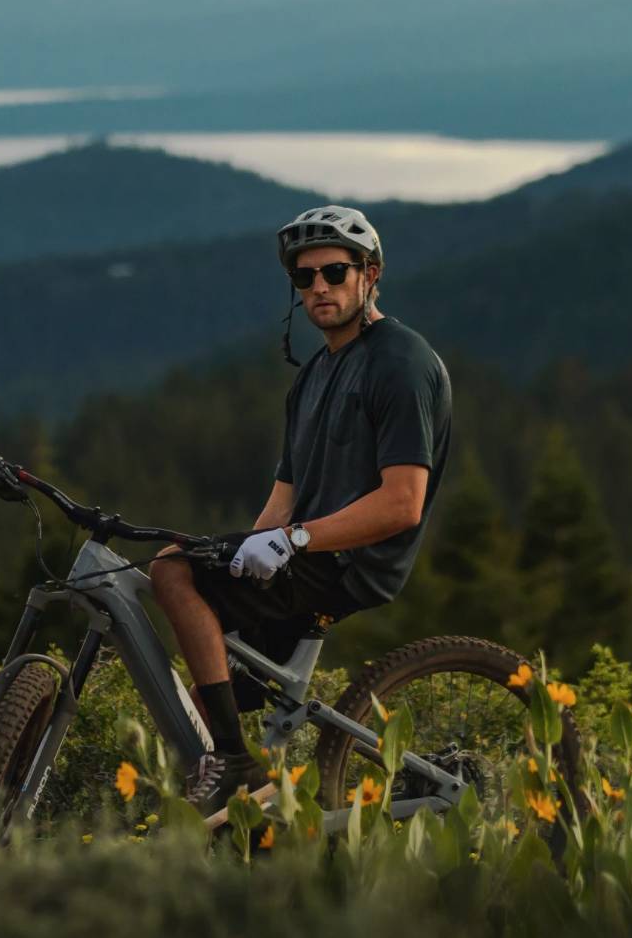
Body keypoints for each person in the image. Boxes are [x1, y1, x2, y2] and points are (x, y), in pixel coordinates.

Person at [148, 205, 452, 824]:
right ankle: (249, 812)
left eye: (334, 273)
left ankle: (235, 764)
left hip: (346, 562)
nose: (318, 288)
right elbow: (285, 491)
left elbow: (403, 502)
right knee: (218, 691)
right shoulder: (313, 374)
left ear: (371, 275)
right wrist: (249, 548)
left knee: (172, 571)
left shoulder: (401, 361)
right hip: (306, 552)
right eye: (304, 278)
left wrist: (291, 541)